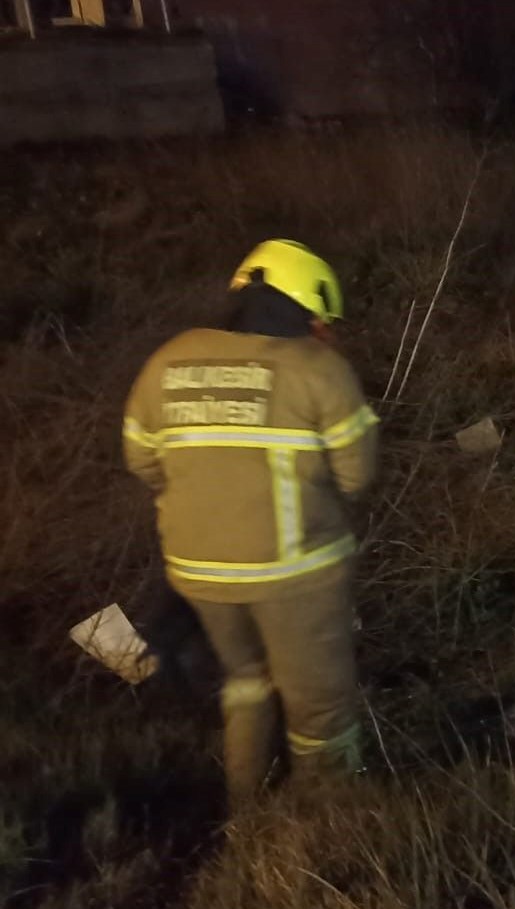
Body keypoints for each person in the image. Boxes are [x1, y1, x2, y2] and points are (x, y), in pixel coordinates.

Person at [122, 239, 379, 808]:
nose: (324, 330)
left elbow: (142, 461)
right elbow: (358, 475)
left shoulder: (169, 358)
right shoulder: (320, 370)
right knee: (322, 709)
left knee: (245, 682)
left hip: (199, 577)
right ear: (306, 305)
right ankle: (324, 832)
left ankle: (245, 818)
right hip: (297, 576)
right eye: (320, 319)